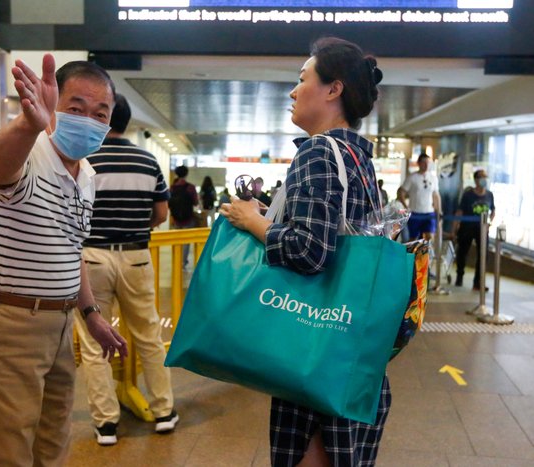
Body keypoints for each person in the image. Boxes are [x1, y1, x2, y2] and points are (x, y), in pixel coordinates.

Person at [0, 54, 128, 467]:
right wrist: (28, 124)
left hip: (59, 324)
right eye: (76, 108)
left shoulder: (86, 173)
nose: (90, 120)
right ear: (53, 108)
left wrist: (90, 313)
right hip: (5, 322)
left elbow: (72, 248)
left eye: (100, 113)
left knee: (52, 445)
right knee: (2, 452)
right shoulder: (29, 152)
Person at [220, 37, 387, 466]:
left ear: (334, 90)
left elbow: (312, 252)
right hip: (350, 351)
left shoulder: (318, 151)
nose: (293, 91)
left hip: (312, 349)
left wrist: (251, 222)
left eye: (302, 79)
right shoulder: (359, 159)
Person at [77, 93, 178, 446]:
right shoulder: (147, 160)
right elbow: (161, 214)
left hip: (91, 258)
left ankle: (106, 424)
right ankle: (164, 411)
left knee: (94, 343)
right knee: (148, 335)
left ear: (101, 120)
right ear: (127, 122)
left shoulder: (84, 160)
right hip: (135, 256)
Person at [451, 169, 496, 291]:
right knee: (462, 252)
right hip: (467, 228)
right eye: (482, 177)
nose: (484, 179)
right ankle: (459, 276)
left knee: (483, 255)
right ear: (476, 180)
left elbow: (493, 211)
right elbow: (460, 211)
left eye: (486, 176)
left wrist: (489, 222)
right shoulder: (468, 195)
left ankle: (478, 282)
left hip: (482, 229)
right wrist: (454, 229)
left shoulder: (489, 195)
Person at [398, 153, 441, 241]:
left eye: (428, 163)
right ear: (419, 163)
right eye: (424, 162)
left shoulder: (433, 178)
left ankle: (427, 255)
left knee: (429, 237)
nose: (426, 165)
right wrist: (406, 207)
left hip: (429, 213)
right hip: (415, 213)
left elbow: (436, 195)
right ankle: (412, 254)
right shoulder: (412, 177)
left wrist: (439, 211)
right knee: (413, 238)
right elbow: (401, 192)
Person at [169, 165, 198, 269]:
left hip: (176, 218)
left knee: (176, 240)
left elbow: (169, 202)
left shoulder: (172, 187)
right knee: (186, 241)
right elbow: (195, 202)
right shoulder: (190, 187)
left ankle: (176, 260)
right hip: (188, 218)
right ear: (186, 174)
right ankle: (183, 262)